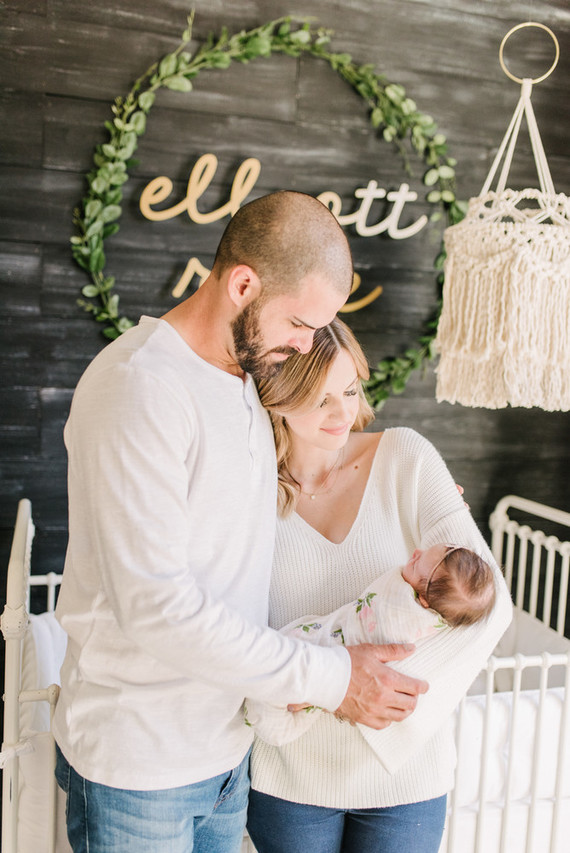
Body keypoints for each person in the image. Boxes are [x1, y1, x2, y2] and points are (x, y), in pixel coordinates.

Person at [52, 191, 429, 853]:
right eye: (299, 322)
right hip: (142, 765)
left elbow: (287, 476)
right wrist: (333, 676)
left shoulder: (247, 379)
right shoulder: (140, 388)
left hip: (226, 752)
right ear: (243, 283)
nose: (306, 344)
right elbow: (158, 608)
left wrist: (405, 489)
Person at [247, 317, 512, 853]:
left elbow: (492, 607)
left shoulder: (406, 459)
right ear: (275, 396)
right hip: (289, 778)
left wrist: (379, 700)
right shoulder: (246, 488)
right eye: (320, 399)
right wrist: (337, 686)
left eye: (349, 389)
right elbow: (231, 628)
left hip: (406, 775)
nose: (343, 413)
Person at [245, 543, 496, 745]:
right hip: (319, 657)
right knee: (277, 682)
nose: (415, 552)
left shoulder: (401, 610)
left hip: (333, 647)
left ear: (424, 602)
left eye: (416, 562)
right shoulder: (439, 604)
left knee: (282, 683)